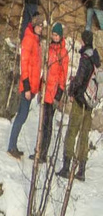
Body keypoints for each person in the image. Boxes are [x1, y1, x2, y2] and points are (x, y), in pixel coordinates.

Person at [8, 10, 46, 158]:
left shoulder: (36, 41)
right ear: (34, 25)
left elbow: (37, 66)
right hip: (27, 86)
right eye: (39, 26)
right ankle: (11, 146)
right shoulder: (29, 40)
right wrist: (28, 87)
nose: (41, 29)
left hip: (33, 86)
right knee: (21, 116)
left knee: (23, 116)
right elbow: (24, 65)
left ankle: (13, 145)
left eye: (42, 27)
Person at [65, 32, 99, 182]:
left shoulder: (85, 58)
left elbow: (79, 78)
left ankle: (66, 167)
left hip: (80, 100)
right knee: (84, 135)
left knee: (72, 131)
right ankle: (82, 170)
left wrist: (71, 90)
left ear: (83, 41)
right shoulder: (96, 59)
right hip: (90, 102)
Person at [37, 23, 72, 161]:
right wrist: (41, 86)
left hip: (53, 92)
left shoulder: (63, 53)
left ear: (60, 36)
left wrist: (60, 92)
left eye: (56, 35)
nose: (54, 36)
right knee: (42, 122)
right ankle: (39, 150)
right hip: (46, 89)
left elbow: (63, 75)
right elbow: (45, 70)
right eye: (53, 34)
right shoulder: (50, 49)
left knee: (47, 124)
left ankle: (44, 153)